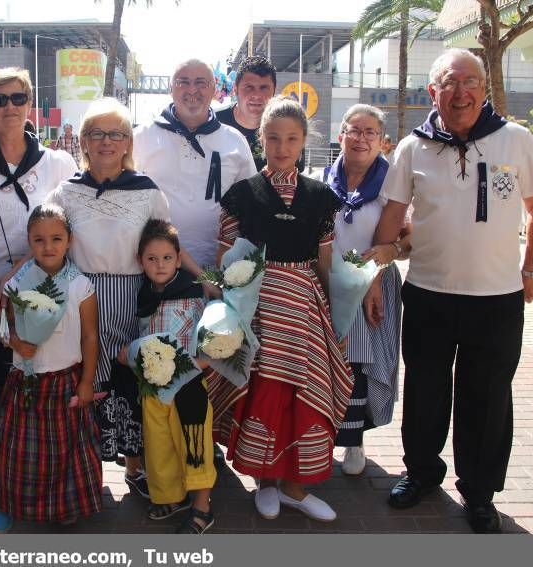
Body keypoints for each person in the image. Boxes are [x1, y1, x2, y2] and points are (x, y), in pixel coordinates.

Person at [375, 49, 533, 533]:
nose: (460, 92)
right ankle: (422, 473)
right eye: (449, 83)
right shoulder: (413, 147)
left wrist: (532, 268)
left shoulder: (515, 140)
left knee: (487, 395)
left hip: (497, 299)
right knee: (426, 389)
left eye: (469, 81)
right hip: (429, 293)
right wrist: (373, 271)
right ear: (433, 93)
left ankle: (479, 491)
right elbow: (392, 213)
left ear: (484, 89)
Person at [209, 96, 354, 523]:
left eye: (291, 138)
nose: (282, 147)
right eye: (273, 138)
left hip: (306, 308)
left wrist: (335, 311)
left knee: (305, 394)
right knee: (264, 391)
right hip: (258, 310)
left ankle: (297, 487)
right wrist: (229, 307)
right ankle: (266, 481)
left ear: (305, 141)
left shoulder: (322, 196)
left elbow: (326, 260)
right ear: (261, 138)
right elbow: (225, 258)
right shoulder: (241, 195)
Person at [0, 67, 77, 494]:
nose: (9, 107)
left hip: (40, 282)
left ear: (30, 104)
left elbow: (68, 222)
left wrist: (20, 272)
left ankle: (36, 453)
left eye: (17, 98)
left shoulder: (56, 163)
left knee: (38, 370)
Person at [46, 97, 172, 498]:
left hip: (133, 296)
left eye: (115, 134)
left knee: (132, 379)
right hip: (80, 297)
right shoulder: (65, 192)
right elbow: (44, 242)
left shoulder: (148, 191)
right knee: (85, 379)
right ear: (83, 141)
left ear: (127, 142)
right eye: (96, 133)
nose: (106, 142)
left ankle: (135, 467)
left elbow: (166, 246)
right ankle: (87, 470)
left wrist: (204, 279)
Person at [0, 204, 102, 533]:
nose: (48, 247)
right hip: (25, 380)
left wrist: (87, 381)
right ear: (30, 242)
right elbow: (4, 328)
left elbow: (91, 336)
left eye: (56, 239)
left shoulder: (80, 285)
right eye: (39, 240)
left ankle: (63, 506)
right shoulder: (17, 282)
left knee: (64, 454)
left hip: (65, 382)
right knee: (18, 453)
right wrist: (15, 342)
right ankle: (9, 504)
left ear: (69, 241)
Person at [322, 104, 411, 476]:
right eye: (353, 130)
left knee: (361, 363)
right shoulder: (321, 177)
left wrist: (390, 252)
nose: (360, 138)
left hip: (375, 284)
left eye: (369, 132)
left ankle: (355, 441)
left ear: (382, 140)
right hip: (328, 281)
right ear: (341, 135)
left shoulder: (395, 184)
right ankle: (323, 437)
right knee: (329, 364)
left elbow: (409, 241)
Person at [120, 219, 216, 533]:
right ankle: (172, 495)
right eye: (151, 258)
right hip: (153, 388)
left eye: (167, 258)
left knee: (194, 442)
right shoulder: (140, 296)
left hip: (189, 383)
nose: (160, 265)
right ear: (140, 261)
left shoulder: (194, 291)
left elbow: (211, 339)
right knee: (159, 445)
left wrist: (199, 364)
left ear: (178, 257)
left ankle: (202, 506)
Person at [133, 58, 256, 270]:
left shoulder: (235, 141)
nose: (192, 90)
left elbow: (252, 204)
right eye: (183, 82)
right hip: (157, 272)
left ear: (214, 89)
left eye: (201, 82)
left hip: (219, 267)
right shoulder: (142, 137)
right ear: (171, 88)